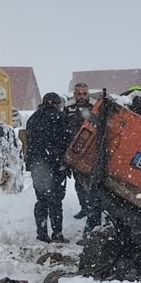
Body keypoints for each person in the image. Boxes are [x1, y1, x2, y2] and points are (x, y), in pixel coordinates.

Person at [24, 92, 74, 243]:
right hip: (55, 165)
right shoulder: (61, 118)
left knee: (41, 200)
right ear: (57, 104)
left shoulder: (33, 119)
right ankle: (57, 233)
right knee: (56, 200)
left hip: (37, 166)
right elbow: (68, 141)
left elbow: (29, 142)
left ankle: (42, 233)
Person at [64, 82, 95, 219]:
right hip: (75, 149)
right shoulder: (68, 107)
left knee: (92, 181)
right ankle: (84, 207)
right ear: (74, 94)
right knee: (78, 181)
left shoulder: (94, 106)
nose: (82, 96)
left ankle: (93, 209)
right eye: (79, 94)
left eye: (84, 93)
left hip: (92, 149)